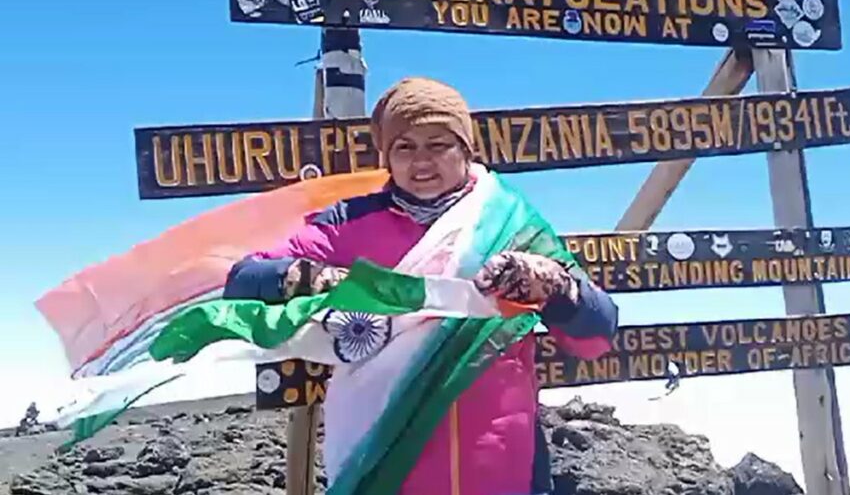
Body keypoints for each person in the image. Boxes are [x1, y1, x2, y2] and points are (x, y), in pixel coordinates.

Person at [223, 77, 619, 495]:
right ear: (387, 157)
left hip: (504, 464)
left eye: (438, 144)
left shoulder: (511, 222)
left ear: (467, 148)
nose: (422, 162)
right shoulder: (351, 224)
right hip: (386, 460)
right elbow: (242, 280)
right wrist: (304, 278)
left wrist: (555, 286)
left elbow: (596, 336)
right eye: (404, 147)